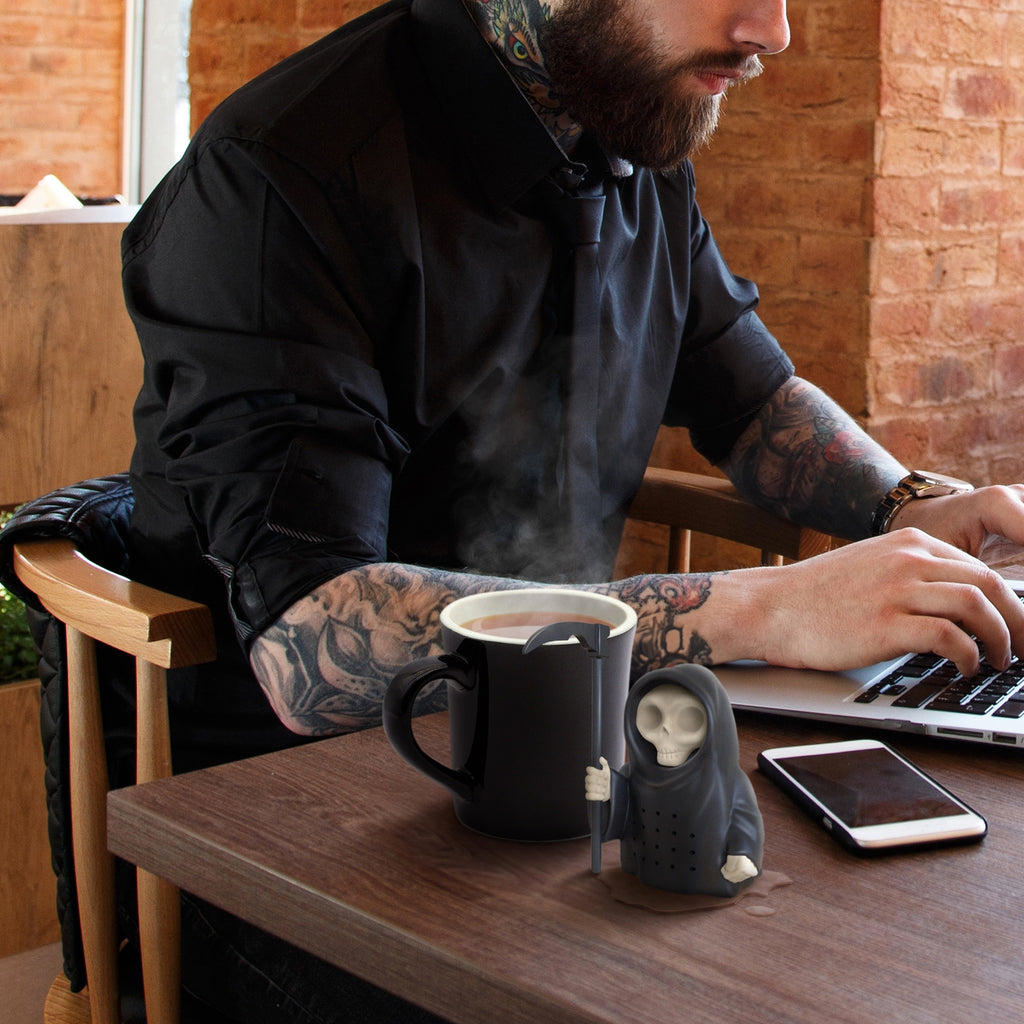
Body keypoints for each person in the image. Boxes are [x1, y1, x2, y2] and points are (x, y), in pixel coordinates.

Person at [120, 0, 1024, 1018]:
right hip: (299, 825)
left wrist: (909, 504)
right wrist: (764, 609)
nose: (771, 30)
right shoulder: (281, 172)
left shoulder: (628, 117)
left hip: (571, 769)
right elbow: (305, 634)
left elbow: (753, 399)